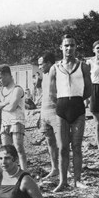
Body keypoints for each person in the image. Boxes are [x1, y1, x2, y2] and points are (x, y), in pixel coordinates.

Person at [49, 35, 92, 192]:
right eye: (66, 46)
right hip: (62, 109)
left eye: (72, 45)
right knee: (62, 148)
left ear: (76, 47)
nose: (69, 48)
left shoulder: (83, 66)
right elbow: (52, 93)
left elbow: (89, 89)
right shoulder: (55, 68)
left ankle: (77, 180)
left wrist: (77, 99)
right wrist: (61, 103)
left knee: (77, 147)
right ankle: (63, 181)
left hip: (78, 108)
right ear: (61, 47)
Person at [0, 65, 27, 170]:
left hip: (16, 121)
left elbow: (12, 107)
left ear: (7, 75)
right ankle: (9, 172)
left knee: (18, 148)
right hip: (5, 122)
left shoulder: (17, 89)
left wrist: (1, 105)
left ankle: (25, 172)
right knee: (5, 150)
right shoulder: (0, 90)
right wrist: (5, 102)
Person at [38, 52, 60, 180]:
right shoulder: (44, 76)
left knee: (62, 143)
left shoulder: (57, 73)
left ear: (49, 63)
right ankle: (55, 168)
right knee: (50, 142)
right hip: (45, 112)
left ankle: (66, 170)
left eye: (41, 64)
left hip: (55, 112)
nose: (39, 67)